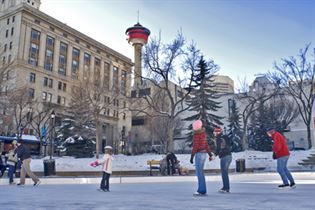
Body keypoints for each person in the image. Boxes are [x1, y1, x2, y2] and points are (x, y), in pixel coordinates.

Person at [190, 120, 214, 196]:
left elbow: (195, 146)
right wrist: (210, 154)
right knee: (201, 172)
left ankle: (201, 190)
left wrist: (192, 156)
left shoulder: (197, 135)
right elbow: (206, 145)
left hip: (199, 154)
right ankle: (202, 189)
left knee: (199, 173)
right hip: (204, 154)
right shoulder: (203, 134)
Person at [214, 126, 232, 193]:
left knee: (224, 173)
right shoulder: (225, 137)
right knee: (225, 173)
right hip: (229, 156)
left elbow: (218, 149)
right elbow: (230, 144)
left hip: (224, 157)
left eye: (216, 132)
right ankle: (226, 187)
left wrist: (214, 155)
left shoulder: (219, 138)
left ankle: (226, 188)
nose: (215, 133)